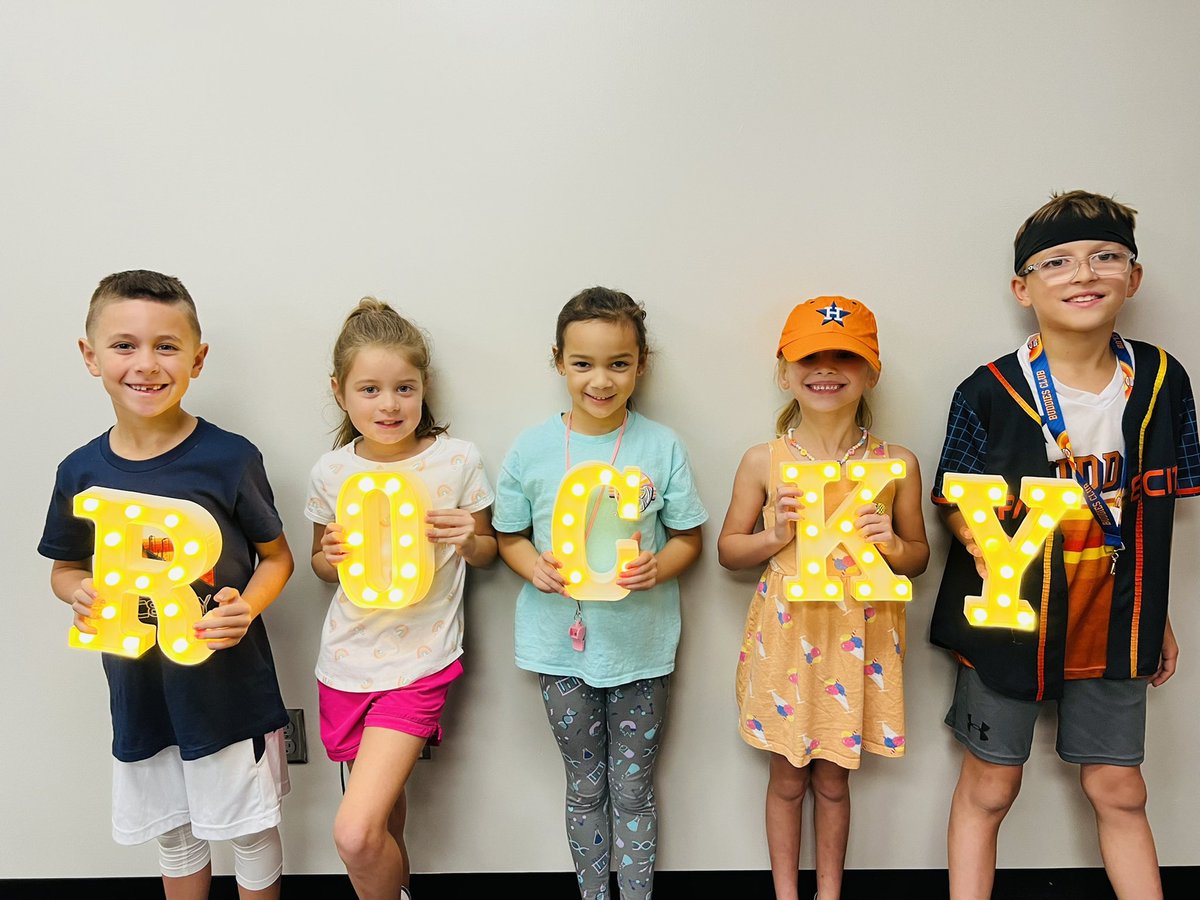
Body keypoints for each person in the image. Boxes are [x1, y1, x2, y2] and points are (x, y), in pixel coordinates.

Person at [929, 190, 1200, 899]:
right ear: (1022, 288)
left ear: (1133, 277)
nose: (1083, 273)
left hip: (1116, 617)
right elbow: (953, 500)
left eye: (1105, 256)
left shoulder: (1164, 381)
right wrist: (982, 545)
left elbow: (1151, 515)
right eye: (1057, 261)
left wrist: (1158, 616)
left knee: (1120, 788)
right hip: (1011, 616)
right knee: (991, 786)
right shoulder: (988, 390)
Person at [38, 270, 295, 898]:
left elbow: (277, 559)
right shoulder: (79, 472)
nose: (146, 364)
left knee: (249, 830)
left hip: (227, 693)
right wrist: (78, 592)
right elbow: (64, 570)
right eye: (124, 345)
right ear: (90, 356)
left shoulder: (231, 458)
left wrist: (246, 608)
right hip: (139, 692)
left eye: (167, 346)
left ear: (197, 360)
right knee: (174, 834)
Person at [492, 286, 707, 900]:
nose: (601, 380)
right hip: (560, 649)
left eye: (618, 363)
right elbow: (507, 536)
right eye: (583, 363)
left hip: (641, 648)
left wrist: (659, 567)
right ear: (558, 361)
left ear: (642, 365)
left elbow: (689, 538)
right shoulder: (532, 448)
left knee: (634, 789)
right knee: (585, 787)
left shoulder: (660, 446)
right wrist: (532, 566)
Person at [717, 296, 929, 900]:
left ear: (872, 373)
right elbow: (728, 550)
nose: (827, 369)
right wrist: (774, 536)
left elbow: (919, 557)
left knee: (835, 782)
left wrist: (893, 544)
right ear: (785, 373)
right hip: (789, 639)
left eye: (846, 357)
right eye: (810, 358)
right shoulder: (764, 460)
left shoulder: (897, 463)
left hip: (859, 640)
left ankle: (830, 893)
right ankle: (787, 893)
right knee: (787, 779)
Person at [306, 297, 496, 900]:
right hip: (346, 662)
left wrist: (470, 539)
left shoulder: (456, 460)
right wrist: (329, 556)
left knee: (354, 834)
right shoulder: (331, 472)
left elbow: (487, 552)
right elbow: (320, 567)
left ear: (423, 387)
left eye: (403, 388)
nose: (389, 405)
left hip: (419, 662)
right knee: (381, 822)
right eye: (370, 389)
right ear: (339, 392)